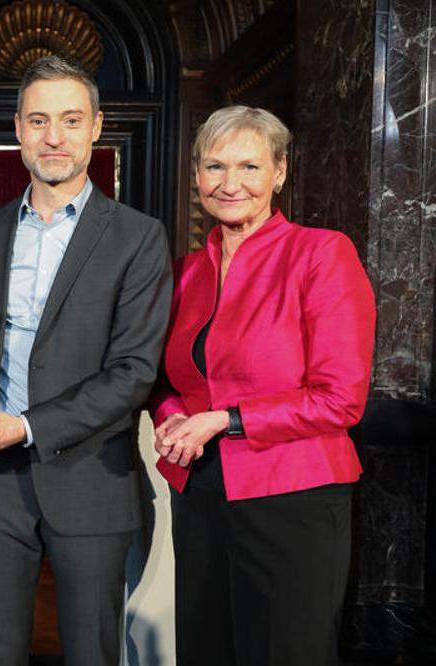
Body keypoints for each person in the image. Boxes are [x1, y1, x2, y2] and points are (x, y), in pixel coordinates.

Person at [0, 56, 173, 665]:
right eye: (40, 120)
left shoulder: (138, 236)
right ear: (17, 128)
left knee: (92, 655)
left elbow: (133, 373)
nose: (55, 137)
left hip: (90, 478)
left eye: (71, 120)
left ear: (97, 127)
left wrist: (22, 426)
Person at [149, 105, 376, 666]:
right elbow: (162, 379)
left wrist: (223, 420)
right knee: (206, 650)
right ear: (197, 176)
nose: (230, 184)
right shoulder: (182, 273)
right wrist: (174, 418)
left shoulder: (321, 254)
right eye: (215, 166)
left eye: (249, 167)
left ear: (279, 172)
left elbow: (340, 398)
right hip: (200, 494)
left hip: (293, 498)